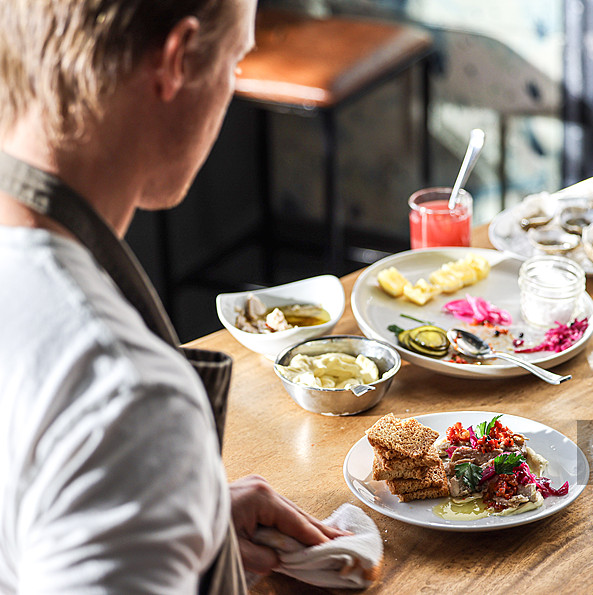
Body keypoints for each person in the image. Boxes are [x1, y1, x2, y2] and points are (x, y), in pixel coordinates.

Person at [0, 0, 345, 592]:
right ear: (177, 60)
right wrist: (145, 472)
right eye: (235, 61)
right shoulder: (124, 399)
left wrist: (172, 510)